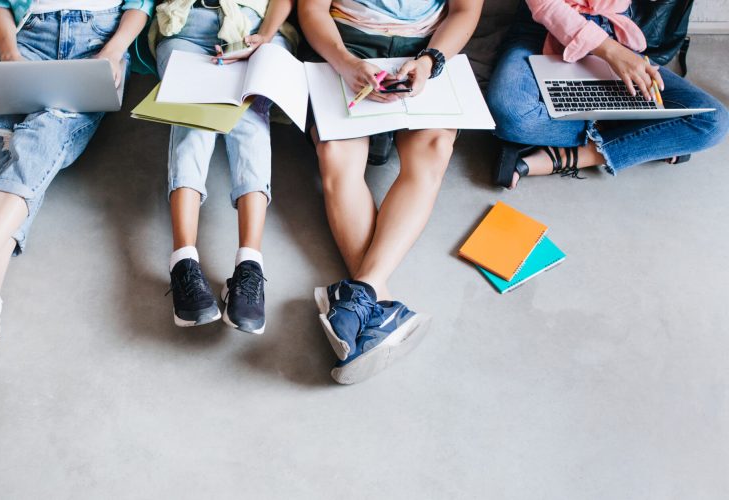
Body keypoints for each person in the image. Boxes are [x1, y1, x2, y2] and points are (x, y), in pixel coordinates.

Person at [0, 0, 152, 344]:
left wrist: (114, 50)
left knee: (45, 133)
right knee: (14, 148)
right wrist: (7, 51)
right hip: (28, 39)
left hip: (96, 40)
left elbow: (141, 3)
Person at [298, 0, 483, 384]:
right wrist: (345, 62)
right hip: (345, 42)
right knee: (336, 153)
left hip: (425, 49)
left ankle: (360, 294)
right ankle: (377, 301)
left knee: (435, 151)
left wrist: (431, 61)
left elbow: (464, 10)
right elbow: (312, 10)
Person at [155, 0, 296, 335]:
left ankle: (250, 264)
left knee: (251, 122)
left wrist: (263, 36)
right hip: (186, 27)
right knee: (194, 122)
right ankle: (184, 261)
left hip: (257, 27)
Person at [486, 0, 729, 189]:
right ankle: (648, 138)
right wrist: (609, 51)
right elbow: (545, 5)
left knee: (713, 121)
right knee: (512, 115)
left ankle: (574, 156)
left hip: (614, 29)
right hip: (540, 29)